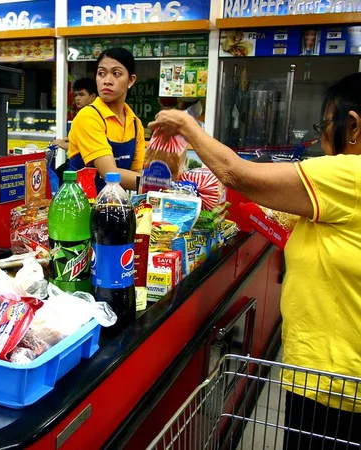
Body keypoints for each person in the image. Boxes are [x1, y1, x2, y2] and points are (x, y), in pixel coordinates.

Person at [149, 72, 361, 449]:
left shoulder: (350, 173)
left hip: (335, 382)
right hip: (335, 374)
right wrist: (181, 179)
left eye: (325, 123)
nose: (324, 135)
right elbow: (266, 209)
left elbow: (237, 174)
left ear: (354, 125)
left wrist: (187, 125)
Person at [67, 48, 145, 191]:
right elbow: (109, 174)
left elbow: (137, 174)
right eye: (101, 73)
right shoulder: (89, 116)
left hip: (114, 205)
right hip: (81, 207)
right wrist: (159, 186)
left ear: (131, 80)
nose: (107, 81)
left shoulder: (135, 124)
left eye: (116, 74)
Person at [52, 78, 98, 151]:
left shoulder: (89, 115)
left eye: (81, 95)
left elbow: (90, 147)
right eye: (76, 95)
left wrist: (65, 145)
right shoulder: (89, 112)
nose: (77, 98)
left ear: (92, 96)